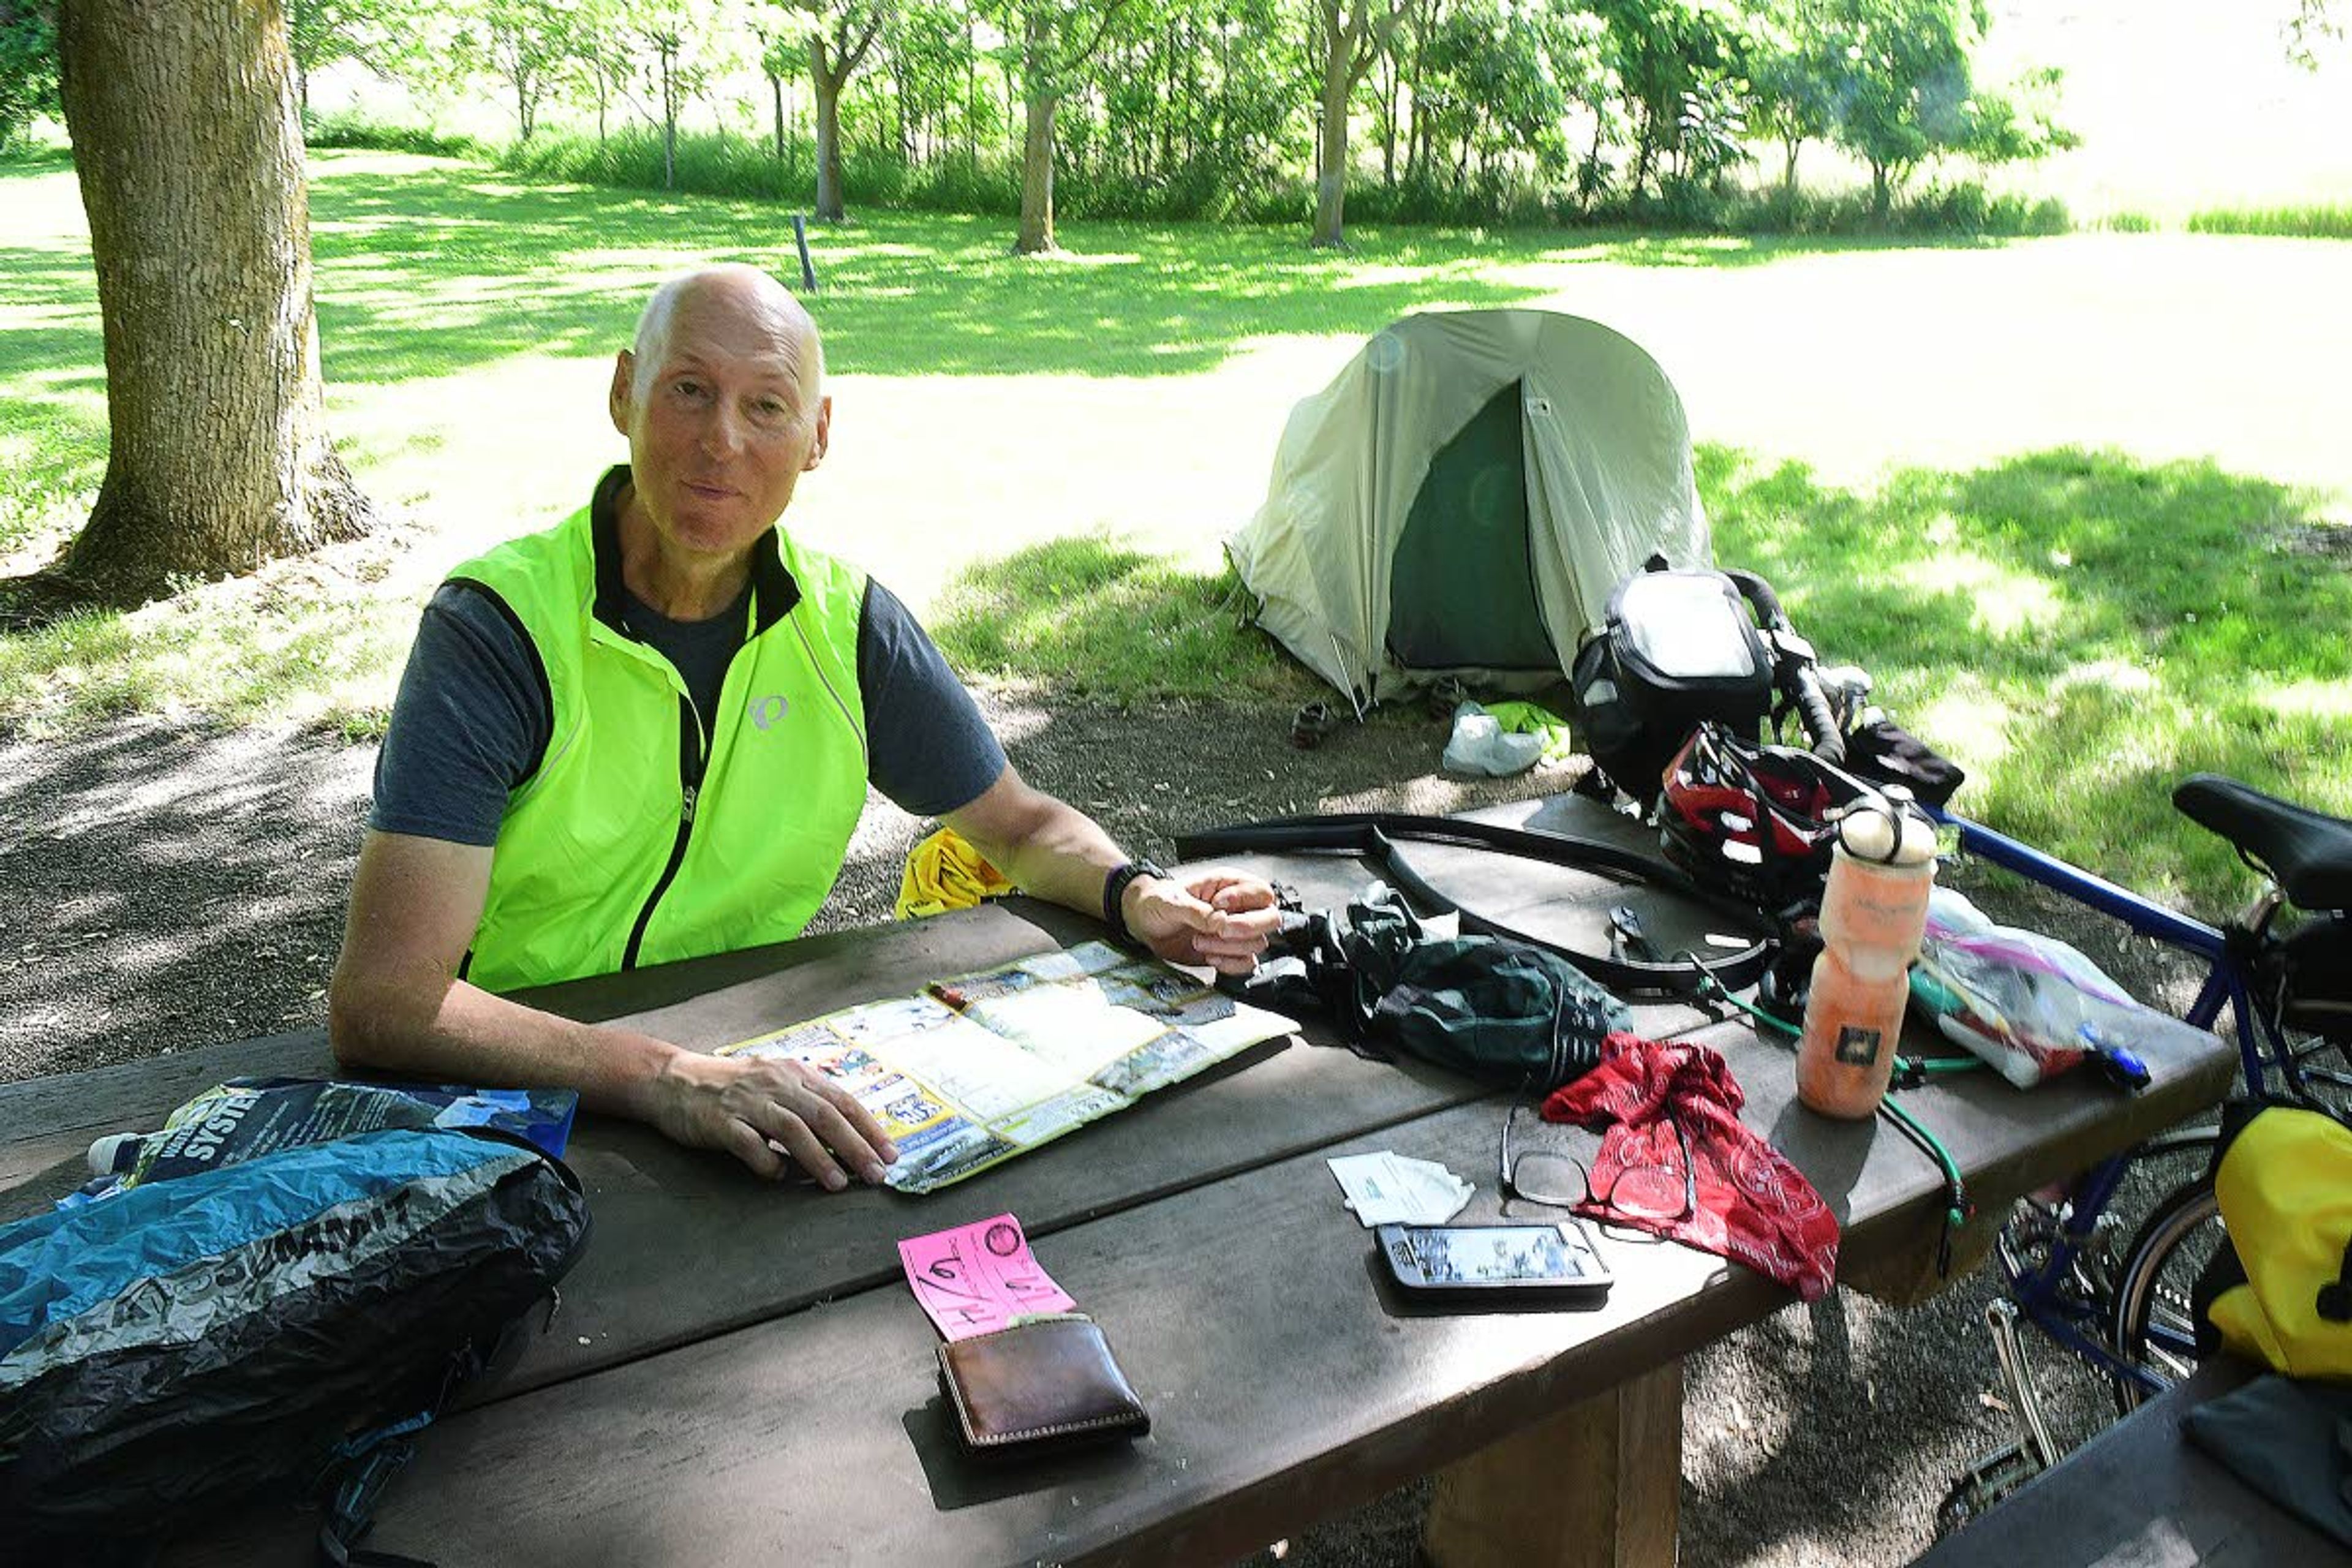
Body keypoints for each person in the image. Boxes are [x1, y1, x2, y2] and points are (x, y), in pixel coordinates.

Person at [329, 264, 1281, 1191]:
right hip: (516, 1090)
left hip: (750, 1074)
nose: (721, 442)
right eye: (689, 391)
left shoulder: (847, 628)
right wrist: (662, 1076)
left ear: (817, 436)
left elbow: (1020, 830)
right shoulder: (500, 628)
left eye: (767, 407)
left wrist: (1138, 897)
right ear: (623, 394)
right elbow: (388, 999)